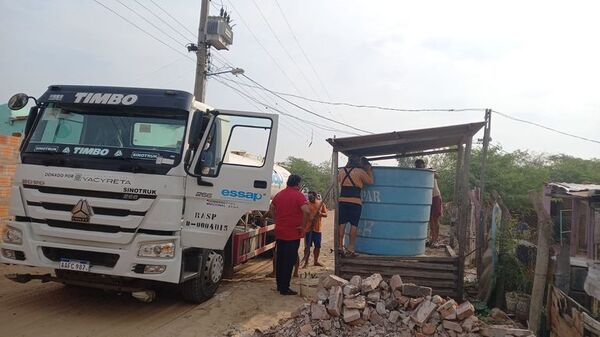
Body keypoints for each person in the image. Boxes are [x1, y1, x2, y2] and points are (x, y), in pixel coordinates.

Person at [269, 174, 311, 295]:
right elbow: (307, 211)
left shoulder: (280, 194)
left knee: (280, 259)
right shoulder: (298, 195)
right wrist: (303, 226)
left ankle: (279, 285)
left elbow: (271, 207)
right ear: (297, 184)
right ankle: (285, 288)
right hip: (292, 232)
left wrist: (276, 220)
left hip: (280, 231)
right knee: (289, 260)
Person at [337, 156, 374, 257]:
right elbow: (370, 182)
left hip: (342, 200)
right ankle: (351, 248)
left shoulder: (341, 171)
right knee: (354, 225)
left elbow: (339, 181)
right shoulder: (360, 172)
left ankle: (340, 246)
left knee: (342, 224)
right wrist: (369, 170)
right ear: (358, 162)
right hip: (355, 202)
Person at [415, 159, 443, 247]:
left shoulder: (430, 171)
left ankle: (436, 240)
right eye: (417, 166)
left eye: (420, 165)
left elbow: (438, 176)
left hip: (435, 196)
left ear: (423, 165)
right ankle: (431, 239)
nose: (419, 167)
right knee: (430, 219)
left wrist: (430, 171)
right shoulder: (418, 174)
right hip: (426, 198)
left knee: (435, 219)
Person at [302, 191, 328, 268]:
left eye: (311, 197)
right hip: (308, 229)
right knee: (307, 246)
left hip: (317, 229)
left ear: (315, 196)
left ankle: (315, 261)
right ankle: (306, 262)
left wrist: (320, 214)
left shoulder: (320, 203)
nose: (310, 199)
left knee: (317, 246)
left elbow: (325, 214)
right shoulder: (306, 204)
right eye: (309, 197)